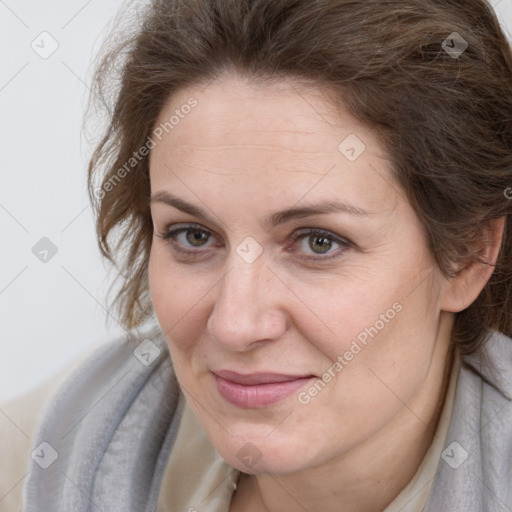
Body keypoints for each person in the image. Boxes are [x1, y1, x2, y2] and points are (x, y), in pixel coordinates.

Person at [2, 0, 512, 510]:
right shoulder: (41, 454)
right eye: (193, 236)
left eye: (318, 242)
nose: (234, 324)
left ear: (467, 257)